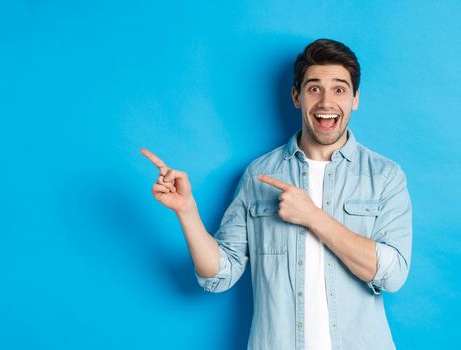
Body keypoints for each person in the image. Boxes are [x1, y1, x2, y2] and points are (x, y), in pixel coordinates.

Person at [141, 38, 412, 350]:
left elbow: (392, 275)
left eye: (339, 89)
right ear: (296, 97)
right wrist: (186, 211)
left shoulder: (385, 176)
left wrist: (312, 217)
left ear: (355, 99)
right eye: (314, 88)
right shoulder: (259, 175)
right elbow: (220, 275)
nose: (326, 102)